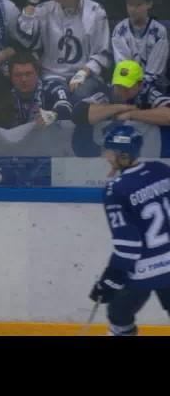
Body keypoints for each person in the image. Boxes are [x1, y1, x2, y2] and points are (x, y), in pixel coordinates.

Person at [89, 125, 170, 335]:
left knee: (119, 317)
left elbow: (129, 247)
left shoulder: (116, 189)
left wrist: (109, 279)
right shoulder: (160, 169)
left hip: (141, 271)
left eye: (109, 151)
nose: (106, 155)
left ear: (122, 155)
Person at [16, 0, 111, 102]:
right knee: (60, 98)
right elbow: (24, 39)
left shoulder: (95, 11)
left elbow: (102, 53)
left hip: (85, 75)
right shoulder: (44, 9)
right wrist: (33, 1)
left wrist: (83, 72)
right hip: (52, 75)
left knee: (80, 95)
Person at [72, 59, 170, 127]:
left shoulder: (147, 93)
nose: (122, 91)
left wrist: (132, 114)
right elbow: (78, 114)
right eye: (119, 86)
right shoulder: (108, 93)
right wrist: (122, 107)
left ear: (140, 85)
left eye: (127, 87)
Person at [111, 0, 169, 92]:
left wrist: (141, 87)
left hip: (155, 85)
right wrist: (130, 85)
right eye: (130, 4)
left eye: (139, 4)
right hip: (127, 83)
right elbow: (123, 66)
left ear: (149, 4)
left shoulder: (159, 32)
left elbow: (155, 71)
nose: (133, 9)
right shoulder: (119, 30)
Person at [8, 52, 72, 127]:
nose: (23, 79)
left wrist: (53, 115)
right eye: (18, 75)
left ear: (37, 73)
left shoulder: (52, 87)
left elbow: (67, 107)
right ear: (10, 76)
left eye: (28, 74)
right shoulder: (4, 94)